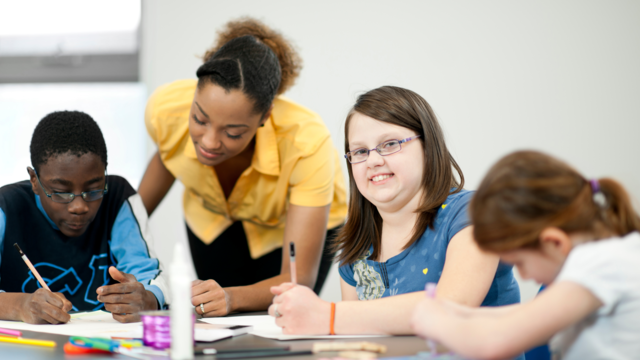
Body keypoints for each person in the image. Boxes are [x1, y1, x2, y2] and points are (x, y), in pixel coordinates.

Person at [268, 86, 521, 336]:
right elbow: (356, 341)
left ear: (427, 146)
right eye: (360, 151)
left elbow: (453, 305)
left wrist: (327, 315)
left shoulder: (472, 213)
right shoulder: (356, 245)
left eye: (390, 144)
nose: (374, 160)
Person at [139, 18, 347, 316]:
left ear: (265, 116)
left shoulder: (307, 144)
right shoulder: (166, 108)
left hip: (292, 227)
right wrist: (120, 228)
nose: (209, 142)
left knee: (279, 320)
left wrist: (232, 298)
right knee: (215, 323)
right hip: (213, 220)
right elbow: (168, 157)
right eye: (199, 119)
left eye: (233, 133)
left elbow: (298, 278)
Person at [411, 150, 640, 360]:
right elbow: (521, 315)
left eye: (519, 262)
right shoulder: (606, 258)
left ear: (554, 242)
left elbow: (495, 343)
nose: (524, 275)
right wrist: (455, 311)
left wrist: (436, 322)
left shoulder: (601, 263)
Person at [0, 111, 167, 324]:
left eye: (94, 190)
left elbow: (151, 276)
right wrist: (21, 306)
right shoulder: (6, 207)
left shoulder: (117, 198)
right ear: (34, 180)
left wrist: (148, 298)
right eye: (60, 192)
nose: (79, 207)